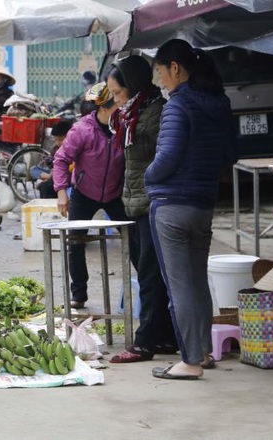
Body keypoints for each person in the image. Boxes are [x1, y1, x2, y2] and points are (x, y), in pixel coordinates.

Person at [145, 39, 238, 380]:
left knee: (179, 286)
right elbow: (230, 155)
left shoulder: (178, 106)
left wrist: (148, 176)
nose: (160, 80)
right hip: (203, 205)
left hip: (171, 207)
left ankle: (190, 361)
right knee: (198, 282)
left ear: (175, 67)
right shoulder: (219, 103)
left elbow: (166, 159)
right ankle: (205, 353)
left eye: (160, 71)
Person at [106, 55, 178, 363]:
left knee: (150, 273)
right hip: (135, 201)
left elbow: (161, 155)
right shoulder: (131, 114)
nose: (115, 100)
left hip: (152, 201)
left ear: (132, 86)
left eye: (118, 93)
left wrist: (150, 183)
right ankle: (164, 336)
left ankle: (146, 341)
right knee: (147, 270)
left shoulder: (154, 112)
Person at [52, 82, 126, 309]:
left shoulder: (124, 126)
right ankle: (79, 294)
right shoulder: (82, 130)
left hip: (115, 195)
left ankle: (145, 286)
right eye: (117, 104)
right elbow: (61, 160)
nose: (121, 107)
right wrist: (62, 192)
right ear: (104, 107)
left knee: (135, 241)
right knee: (75, 242)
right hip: (84, 193)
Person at [31, 118, 74, 199]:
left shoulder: (74, 147)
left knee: (45, 186)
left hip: (68, 175)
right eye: (56, 140)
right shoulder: (55, 149)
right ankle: (49, 177)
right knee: (34, 170)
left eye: (61, 140)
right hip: (56, 172)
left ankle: (50, 178)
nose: (58, 143)